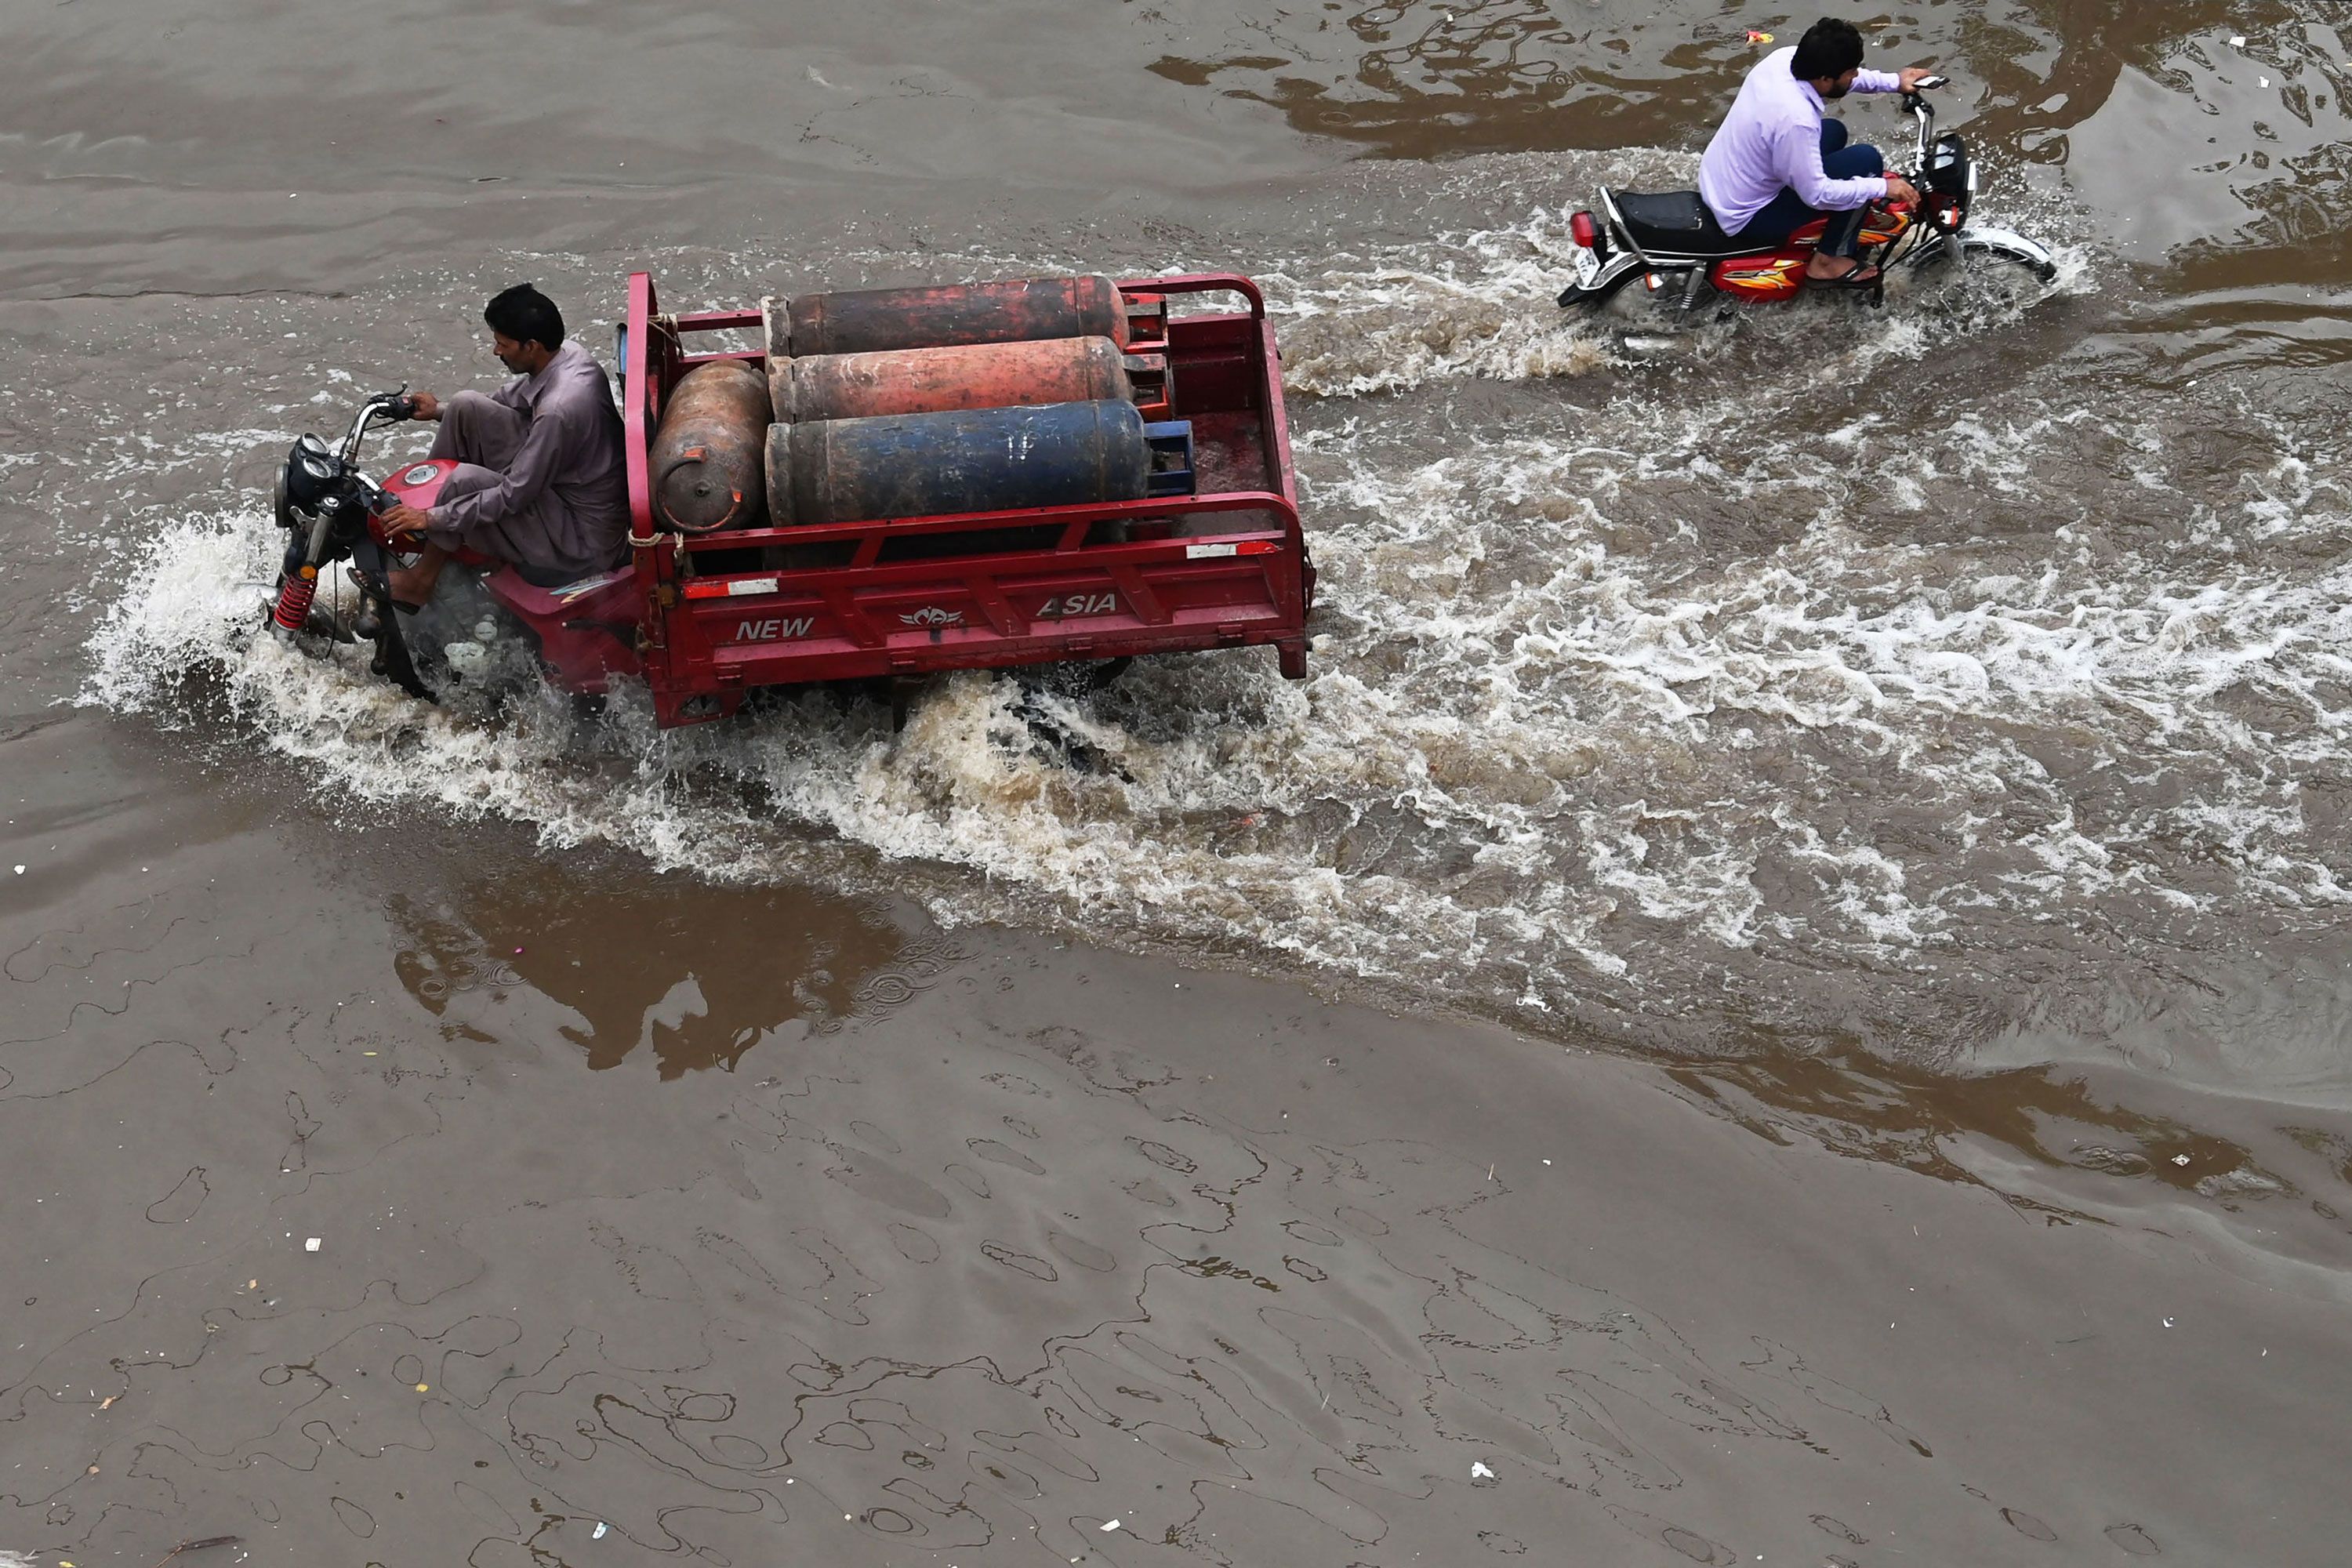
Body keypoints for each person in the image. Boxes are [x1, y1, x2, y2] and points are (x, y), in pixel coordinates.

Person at [377, 284, 628, 605]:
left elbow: (515, 494)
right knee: (465, 405)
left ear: (531, 346)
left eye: (502, 344)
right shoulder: (567, 354)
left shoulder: (558, 409)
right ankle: (438, 532)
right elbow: (508, 400)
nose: (497, 352)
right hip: (567, 481)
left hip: (583, 535)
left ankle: (421, 580)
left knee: (464, 481)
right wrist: (439, 410)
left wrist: (432, 518)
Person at [1697, 19, 1936, 287]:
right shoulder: (1797, 120)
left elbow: (1842, 81)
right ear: (1824, 78)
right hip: (1746, 215)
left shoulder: (1784, 60)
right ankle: (1827, 261)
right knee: (1867, 161)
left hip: (1723, 181)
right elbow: (1818, 195)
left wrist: (1895, 82)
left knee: (1834, 131)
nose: (1855, 76)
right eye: (1851, 72)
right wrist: (1881, 186)